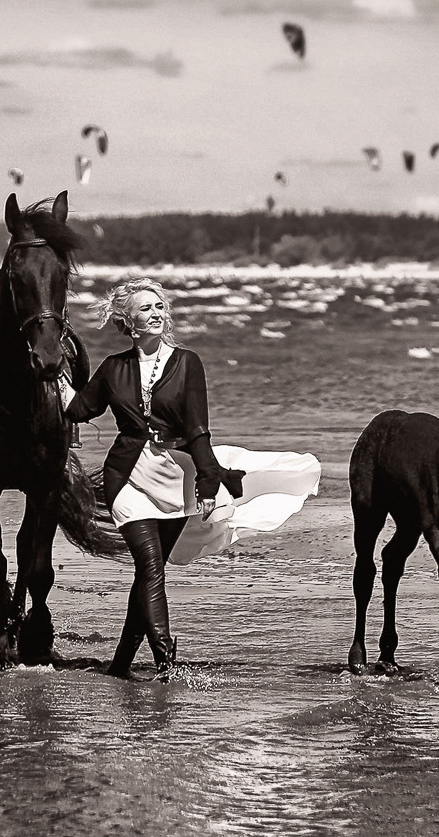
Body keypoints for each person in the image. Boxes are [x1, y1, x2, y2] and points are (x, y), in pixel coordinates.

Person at [61, 278, 322, 679]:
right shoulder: (114, 368)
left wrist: (207, 482)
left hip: (176, 476)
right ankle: (167, 663)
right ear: (128, 321)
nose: (156, 314)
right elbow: (81, 408)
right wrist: (54, 381)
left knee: (150, 572)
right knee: (149, 566)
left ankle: (120, 665)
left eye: (160, 307)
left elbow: (199, 430)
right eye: (146, 308)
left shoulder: (188, 363)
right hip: (128, 478)